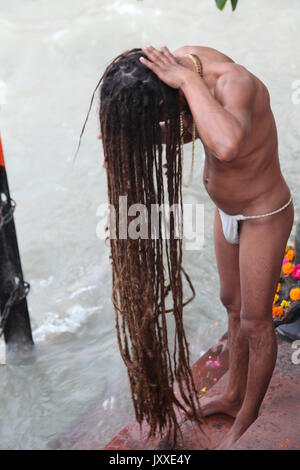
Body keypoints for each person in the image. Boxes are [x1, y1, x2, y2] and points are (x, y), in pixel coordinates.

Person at [139, 44, 294, 449]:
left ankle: (247, 415)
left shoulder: (233, 81)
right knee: (232, 303)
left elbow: (226, 145)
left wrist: (187, 82)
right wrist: (137, 136)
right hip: (226, 210)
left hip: (263, 215)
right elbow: (196, 129)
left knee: (255, 322)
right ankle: (231, 393)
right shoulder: (187, 64)